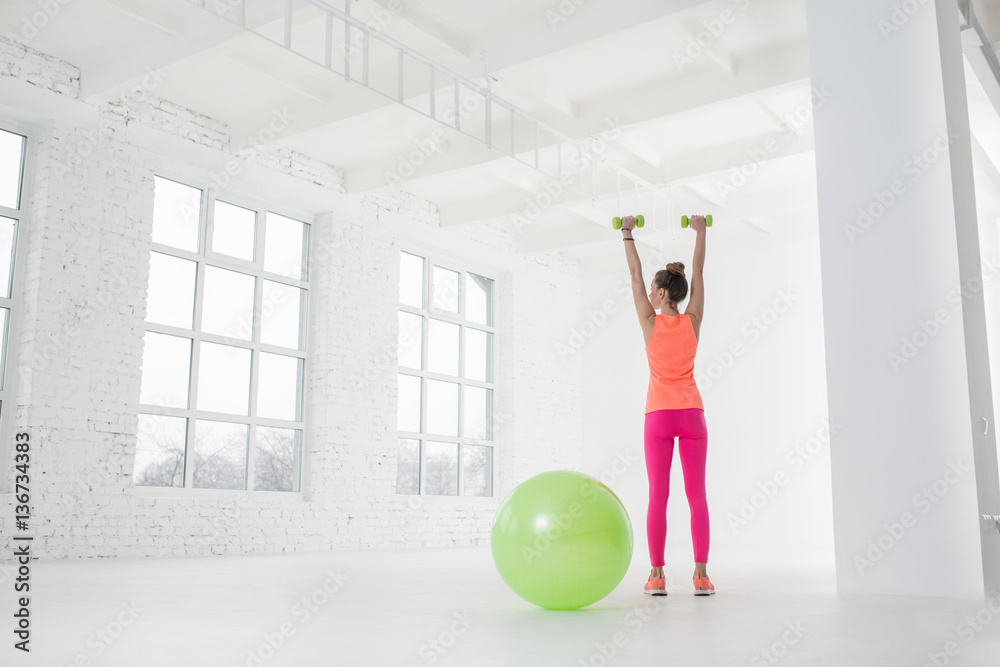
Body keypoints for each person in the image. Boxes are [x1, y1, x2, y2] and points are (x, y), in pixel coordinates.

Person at [619, 214, 714, 597]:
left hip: (657, 417)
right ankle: (701, 576)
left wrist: (627, 232)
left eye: (653, 288)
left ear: (659, 294)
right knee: (697, 496)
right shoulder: (693, 320)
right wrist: (700, 231)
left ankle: (657, 576)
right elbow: (698, 269)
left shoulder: (649, 322)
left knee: (658, 494)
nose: (650, 291)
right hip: (692, 416)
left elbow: (634, 275)